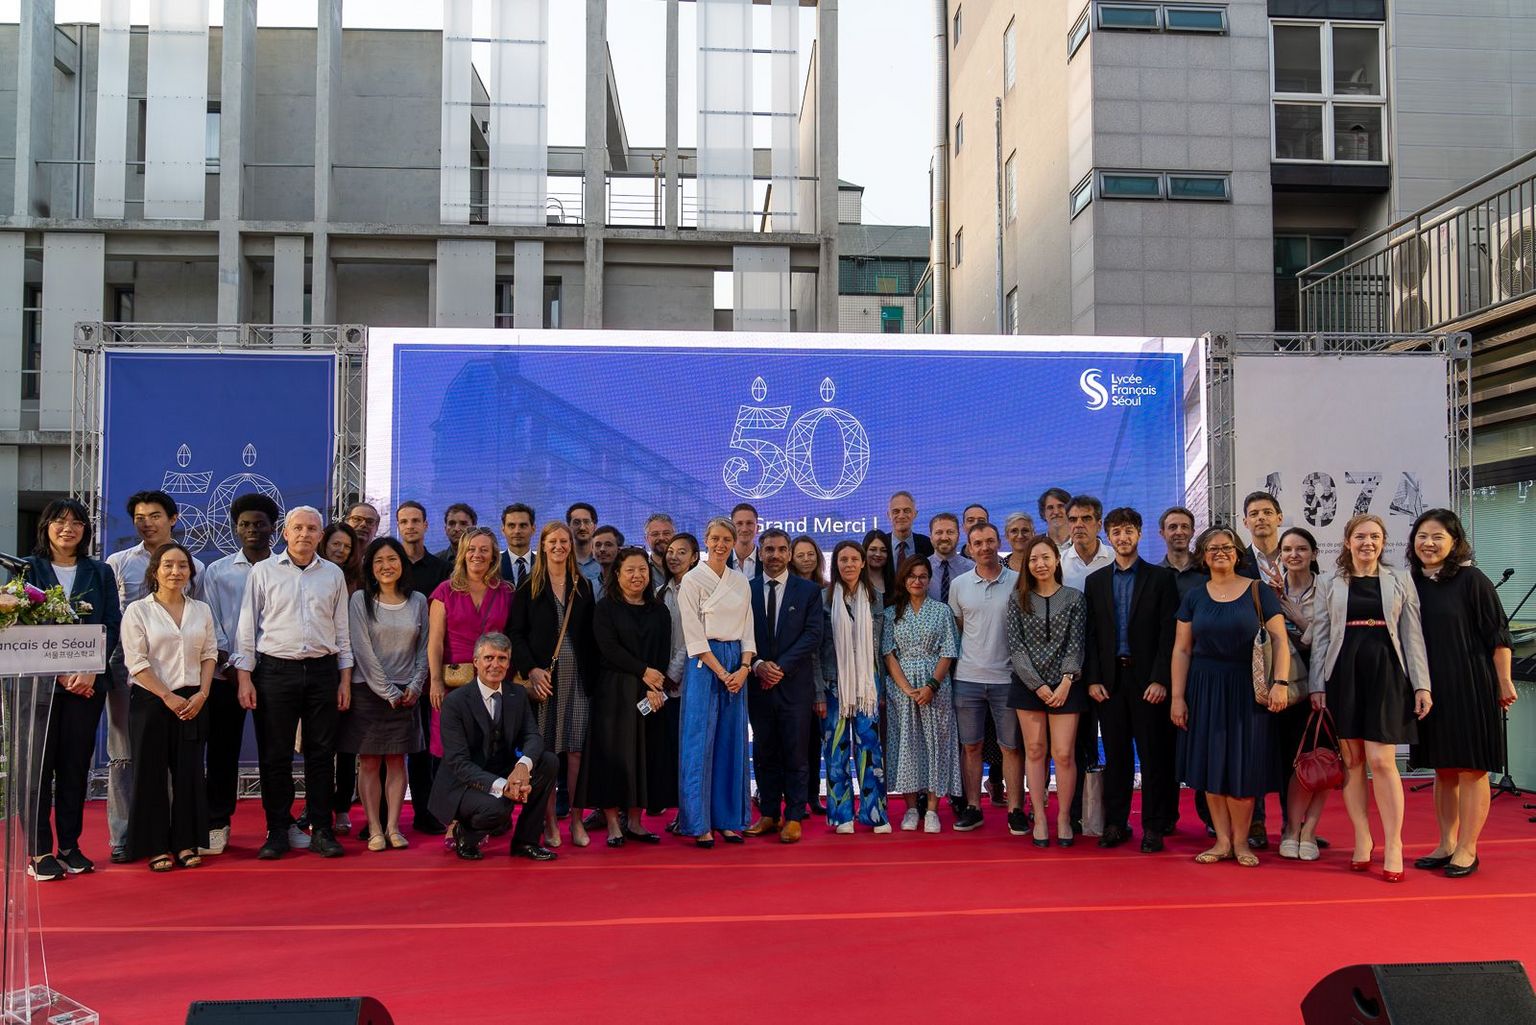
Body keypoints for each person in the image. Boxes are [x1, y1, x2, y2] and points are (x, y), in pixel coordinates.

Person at [1309, 513, 1432, 882]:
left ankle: (1393, 843)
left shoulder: (1401, 579)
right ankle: (1363, 838)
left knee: (1382, 761)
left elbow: (1413, 635)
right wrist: (1318, 684)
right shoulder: (1329, 581)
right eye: (1360, 536)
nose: (1368, 542)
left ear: (1383, 542)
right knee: (1352, 760)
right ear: (1347, 541)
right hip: (1344, 673)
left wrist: (1422, 684)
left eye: (1375, 536)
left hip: (1387, 673)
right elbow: (1321, 637)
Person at [233, 506, 352, 861]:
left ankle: (322, 829)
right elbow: (246, 628)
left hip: (322, 672)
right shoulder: (263, 572)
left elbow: (342, 631)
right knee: (275, 756)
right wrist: (244, 678)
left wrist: (344, 678)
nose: (304, 534)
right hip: (274, 672)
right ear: (285, 533)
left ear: (320, 536)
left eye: (311, 529)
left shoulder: (333, 575)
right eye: (297, 528)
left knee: (321, 755)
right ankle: (277, 829)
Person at [1171, 527, 1290, 868]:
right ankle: (1222, 841)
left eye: (1226, 547)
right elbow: (1181, 649)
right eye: (1212, 548)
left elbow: (1280, 640)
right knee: (1211, 768)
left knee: (1243, 769)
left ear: (1237, 553)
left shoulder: (1258, 590)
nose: (1219, 552)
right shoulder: (1194, 596)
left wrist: (1279, 682)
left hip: (1248, 689)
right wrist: (1178, 698)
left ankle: (1242, 842)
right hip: (1204, 688)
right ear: (1203, 556)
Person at [1407, 509, 1512, 878]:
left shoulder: (1473, 580)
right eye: (1422, 535)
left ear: (1454, 542)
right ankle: (1446, 843)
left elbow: (1498, 637)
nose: (1428, 543)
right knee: (1444, 769)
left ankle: (1468, 847)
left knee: (1471, 768)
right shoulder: (1411, 583)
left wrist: (1505, 681)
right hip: (1429, 687)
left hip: (1470, 682)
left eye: (1437, 536)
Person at [20, 499, 122, 880]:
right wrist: (60, 671)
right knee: (37, 770)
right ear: (46, 527)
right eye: (60, 522)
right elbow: (19, 625)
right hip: (39, 686)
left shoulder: (100, 571)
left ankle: (69, 845)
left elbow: (111, 623)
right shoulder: (27, 570)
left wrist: (91, 669)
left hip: (86, 685)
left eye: (77, 523)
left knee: (74, 768)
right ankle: (38, 852)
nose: (69, 529)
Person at [105, 489, 205, 864]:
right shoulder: (118, 562)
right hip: (128, 667)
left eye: (155, 516)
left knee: (175, 758)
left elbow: (201, 617)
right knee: (124, 756)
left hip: (181, 673)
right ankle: (124, 834)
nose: (147, 522)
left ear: (173, 519)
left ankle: (172, 836)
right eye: (140, 517)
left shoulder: (194, 566)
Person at [1083, 508, 1180, 852]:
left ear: (1139, 534)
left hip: (1149, 683)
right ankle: (1116, 823)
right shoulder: (1095, 582)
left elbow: (1170, 635)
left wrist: (1161, 679)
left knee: (1154, 757)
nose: (1122, 538)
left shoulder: (1161, 579)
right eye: (1116, 532)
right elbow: (1090, 636)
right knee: (1116, 755)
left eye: (1128, 531)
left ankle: (1153, 827)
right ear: (1107, 536)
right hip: (1109, 683)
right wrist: (1092, 679)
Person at [120, 542, 216, 872]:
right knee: (151, 775)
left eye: (182, 566)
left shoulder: (201, 610)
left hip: (193, 700)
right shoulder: (138, 611)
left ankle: (186, 842)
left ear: (191, 572)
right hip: (152, 700)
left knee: (189, 774)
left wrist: (203, 693)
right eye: (168, 565)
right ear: (155, 571)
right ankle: (157, 845)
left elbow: (210, 654)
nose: (176, 571)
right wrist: (167, 696)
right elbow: (136, 662)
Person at [428, 633, 559, 862]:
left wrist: (522, 767)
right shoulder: (455, 702)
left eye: (502, 658)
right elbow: (459, 763)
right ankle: (465, 834)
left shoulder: (516, 694)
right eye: (488, 658)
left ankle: (525, 842)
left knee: (548, 762)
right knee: (498, 808)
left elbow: (533, 737)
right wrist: (503, 786)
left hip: (503, 770)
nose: (495, 665)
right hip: (462, 785)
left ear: (509, 664)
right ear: (476, 661)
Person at [508, 521, 598, 848]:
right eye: (552, 541)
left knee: (575, 752)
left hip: (578, 680)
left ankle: (574, 818)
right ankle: (548, 822)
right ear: (542, 546)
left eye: (564, 541)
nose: (559, 546)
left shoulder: (583, 586)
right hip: (544, 682)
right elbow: (515, 634)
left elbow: (592, 635)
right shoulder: (528, 586)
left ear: (570, 546)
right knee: (546, 754)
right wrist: (530, 669)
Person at [201, 492, 279, 855]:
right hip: (224, 677)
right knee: (221, 751)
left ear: (272, 528)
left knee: (274, 753)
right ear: (235, 527)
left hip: (275, 674)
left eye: (259, 524)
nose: (252, 530)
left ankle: (278, 825)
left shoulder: (284, 569)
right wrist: (232, 666)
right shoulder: (217, 571)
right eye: (245, 524)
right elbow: (210, 621)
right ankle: (217, 821)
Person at [579, 547, 670, 847]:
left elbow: (662, 653)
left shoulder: (660, 610)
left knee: (645, 754)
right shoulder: (605, 608)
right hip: (613, 693)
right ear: (617, 574)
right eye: (629, 570)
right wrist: (643, 671)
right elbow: (608, 649)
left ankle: (635, 822)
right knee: (612, 757)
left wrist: (655, 687)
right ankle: (612, 825)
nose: (637, 576)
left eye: (642, 569)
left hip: (649, 694)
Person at [343, 538, 428, 852]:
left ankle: (393, 827)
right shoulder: (360, 601)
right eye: (378, 561)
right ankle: (375, 828)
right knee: (368, 763)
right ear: (370, 567)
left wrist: (416, 686)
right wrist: (387, 691)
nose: (386, 566)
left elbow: (424, 649)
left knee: (396, 761)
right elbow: (362, 651)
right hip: (369, 692)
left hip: (407, 692)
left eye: (392, 559)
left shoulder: (418, 600)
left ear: (402, 564)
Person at [675, 517, 756, 846]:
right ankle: (699, 822)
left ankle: (727, 819)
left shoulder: (741, 581)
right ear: (705, 542)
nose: (721, 544)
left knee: (731, 741)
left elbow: (748, 629)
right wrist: (721, 673)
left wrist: (744, 668)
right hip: (704, 665)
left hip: (736, 662)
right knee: (700, 742)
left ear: (734, 542)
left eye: (727, 539)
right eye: (715, 539)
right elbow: (693, 635)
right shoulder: (691, 580)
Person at [1006, 534, 1087, 848]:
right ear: (1027, 565)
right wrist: (1038, 686)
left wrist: (1066, 681)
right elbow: (1017, 649)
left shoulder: (1075, 598)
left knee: (1064, 754)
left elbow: (1076, 645)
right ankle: (1039, 816)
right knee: (1035, 751)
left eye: (1045, 557)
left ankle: (1064, 817)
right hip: (1029, 687)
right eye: (1033, 559)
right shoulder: (1017, 599)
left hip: (1068, 686)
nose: (1040, 564)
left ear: (1056, 560)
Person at [745, 529, 825, 843]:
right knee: (764, 752)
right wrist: (758, 665)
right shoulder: (745, 590)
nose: (775, 555)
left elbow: (813, 635)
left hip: (794, 686)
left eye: (780, 549)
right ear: (760, 553)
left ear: (789, 554)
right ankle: (768, 813)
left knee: (795, 752)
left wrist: (780, 667)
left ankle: (793, 816)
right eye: (768, 550)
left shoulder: (807, 591)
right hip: (758, 685)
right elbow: (739, 633)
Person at [948, 521, 1025, 833]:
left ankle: (1017, 809)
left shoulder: (1020, 581)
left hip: (1007, 679)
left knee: (1011, 747)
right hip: (967, 679)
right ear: (969, 547)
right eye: (977, 543)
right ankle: (972, 806)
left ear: (999, 542)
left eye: (990, 541)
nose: (984, 548)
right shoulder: (960, 585)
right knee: (971, 746)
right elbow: (960, 627)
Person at [428, 527, 515, 798]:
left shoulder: (506, 592)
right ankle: (453, 817)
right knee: (452, 749)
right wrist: (435, 681)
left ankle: (486, 814)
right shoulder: (445, 591)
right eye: (472, 549)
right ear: (463, 553)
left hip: (493, 680)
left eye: (484, 550)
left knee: (489, 748)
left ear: (493, 556)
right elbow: (435, 641)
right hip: (454, 683)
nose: (477, 554)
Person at [882, 555, 960, 832]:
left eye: (922, 576)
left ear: (929, 580)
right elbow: (888, 653)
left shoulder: (941, 611)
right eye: (912, 576)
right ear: (903, 579)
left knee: (937, 744)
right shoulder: (892, 613)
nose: (917, 581)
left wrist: (931, 686)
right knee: (907, 745)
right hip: (901, 689)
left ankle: (933, 811)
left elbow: (949, 651)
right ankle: (911, 809)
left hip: (935, 686)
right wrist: (905, 688)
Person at [818, 540, 890, 833]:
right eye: (842, 559)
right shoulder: (823, 599)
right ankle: (841, 815)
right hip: (834, 683)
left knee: (870, 747)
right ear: (836, 564)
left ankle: (875, 814)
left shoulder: (877, 599)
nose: (848, 564)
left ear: (863, 563)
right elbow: (817, 647)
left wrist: (881, 687)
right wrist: (818, 689)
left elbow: (883, 645)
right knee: (836, 750)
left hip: (867, 685)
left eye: (853, 559)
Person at [394, 500, 450, 834]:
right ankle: (385, 813)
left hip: (429, 664)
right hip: (394, 662)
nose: (411, 526)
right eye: (404, 521)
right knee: (389, 745)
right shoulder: (390, 563)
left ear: (426, 525)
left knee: (426, 745)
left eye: (416, 521)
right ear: (398, 525)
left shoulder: (440, 566)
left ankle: (426, 811)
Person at [1274, 526, 1327, 861]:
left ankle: (1310, 830)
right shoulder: (1269, 590)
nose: (1294, 555)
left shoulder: (1328, 589)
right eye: (1288, 549)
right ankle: (1289, 827)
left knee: (1318, 758)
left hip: (1319, 682)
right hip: (1282, 683)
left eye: (1301, 549)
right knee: (1285, 760)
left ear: (1314, 553)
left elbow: (1330, 638)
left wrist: (1297, 621)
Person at [320, 520, 362, 833]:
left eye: (347, 547)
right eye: (336, 544)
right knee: (316, 745)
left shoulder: (359, 581)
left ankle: (343, 808)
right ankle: (315, 808)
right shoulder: (312, 575)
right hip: (317, 668)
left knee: (346, 747)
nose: (341, 550)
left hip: (352, 668)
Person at [655, 532, 699, 827]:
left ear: (695, 557)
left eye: (681, 552)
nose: (674, 556)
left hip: (691, 680)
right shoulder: (659, 592)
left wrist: (674, 670)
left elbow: (694, 636)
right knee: (670, 750)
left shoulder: (700, 590)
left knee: (691, 751)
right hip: (661, 685)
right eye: (671, 551)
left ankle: (692, 813)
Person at [790, 533, 829, 815]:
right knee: (796, 740)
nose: (806, 559)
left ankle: (813, 794)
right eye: (800, 554)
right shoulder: (788, 590)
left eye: (810, 554)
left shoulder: (829, 589)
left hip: (826, 674)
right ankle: (794, 795)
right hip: (795, 674)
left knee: (815, 740)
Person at [1238, 492, 1285, 590]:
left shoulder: (1295, 558)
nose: (1261, 517)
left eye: (1267, 512)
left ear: (1279, 518)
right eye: (1254, 514)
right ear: (1245, 522)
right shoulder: (1238, 562)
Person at [1158, 506, 1206, 598]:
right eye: (1173, 527)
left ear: (1192, 532)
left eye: (1184, 527)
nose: (1179, 532)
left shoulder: (1206, 571)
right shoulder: (1153, 576)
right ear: (1162, 533)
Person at [928, 513, 974, 603]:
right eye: (939, 532)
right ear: (930, 537)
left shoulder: (972, 569)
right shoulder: (921, 569)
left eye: (950, 532)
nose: (944, 537)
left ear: (958, 535)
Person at [887, 491, 933, 566]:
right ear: (889, 515)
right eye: (896, 511)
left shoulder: (928, 544)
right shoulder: (881, 545)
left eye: (906, 511)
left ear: (915, 514)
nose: (901, 516)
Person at [498, 503, 537, 589]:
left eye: (523, 525)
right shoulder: (493, 565)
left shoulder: (544, 564)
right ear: (503, 530)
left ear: (533, 529)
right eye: (511, 526)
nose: (517, 531)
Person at [567, 503, 603, 591]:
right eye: (576, 522)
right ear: (568, 527)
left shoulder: (605, 560)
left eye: (587, 522)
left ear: (594, 526)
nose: (582, 527)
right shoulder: (561, 561)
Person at [726, 502, 763, 579]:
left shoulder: (767, 561)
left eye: (749, 523)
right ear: (731, 529)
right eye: (739, 523)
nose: (744, 529)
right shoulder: (721, 561)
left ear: (758, 528)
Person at [862, 529, 894, 606]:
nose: (878, 554)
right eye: (873, 549)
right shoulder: (856, 581)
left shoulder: (895, 582)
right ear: (864, 551)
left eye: (883, 550)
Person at [590, 525, 624, 599]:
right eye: (598, 545)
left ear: (619, 550)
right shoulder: (590, 586)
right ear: (592, 551)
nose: (602, 549)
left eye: (608, 545)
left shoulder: (629, 583)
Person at [645, 513, 676, 592]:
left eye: (666, 533)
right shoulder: (641, 570)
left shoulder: (687, 567)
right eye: (655, 534)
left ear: (675, 536)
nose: (661, 538)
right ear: (646, 539)